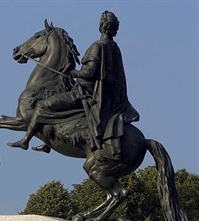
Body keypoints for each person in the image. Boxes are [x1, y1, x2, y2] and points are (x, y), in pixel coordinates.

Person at [8, 11, 139, 160]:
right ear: (115, 30)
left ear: (101, 27)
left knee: (43, 106)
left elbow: (89, 72)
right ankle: (49, 142)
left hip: (84, 92)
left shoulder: (98, 46)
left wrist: (75, 73)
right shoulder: (114, 48)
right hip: (100, 95)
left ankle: (25, 140)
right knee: (58, 101)